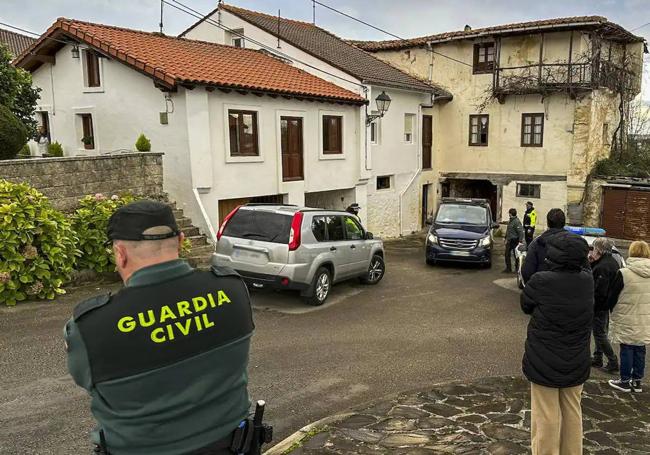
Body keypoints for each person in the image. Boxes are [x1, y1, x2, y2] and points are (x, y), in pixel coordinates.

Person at [64, 200, 256, 454]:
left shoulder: (90, 327)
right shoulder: (233, 289)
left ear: (120, 253)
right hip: (233, 445)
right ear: (181, 240)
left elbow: (86, 380)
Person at [521, 230, 593, 455]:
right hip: (576, 357)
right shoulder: (587, 281)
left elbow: (525, 304)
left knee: (546, 414)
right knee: (572, 410)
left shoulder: (541, 280)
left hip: (543, 358)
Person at [607, 240, 650, 393]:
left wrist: (610, 309)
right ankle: (637, 381)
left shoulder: (623, 273)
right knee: (640, 348)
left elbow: (612, 296)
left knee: (626, 347)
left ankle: (624, 381)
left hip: (626, 315)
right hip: (645, 318)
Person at [589, 237, 620, 373]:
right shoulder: (611, 261)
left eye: (594, 249)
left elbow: (599, 291)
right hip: (605, 305)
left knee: (600, 334)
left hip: (599, 306)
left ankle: (612, 361)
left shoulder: (603, 267)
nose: (592, 252)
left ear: (599, 250)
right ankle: (597, 358)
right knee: (600, 333)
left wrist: (592, 304)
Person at [521, 208, 566, 284]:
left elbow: (527, 272)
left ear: (548, 223)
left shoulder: (537, 243)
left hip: (543, 290)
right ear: (564, 223)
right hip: (569, 293)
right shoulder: (577, 244)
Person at [504, 208, 524, 273]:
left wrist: (520, 241)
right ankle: (508, 268)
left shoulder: (516, 222)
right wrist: (506, 238)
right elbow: (509, 230)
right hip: (509, 240)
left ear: (510, 214)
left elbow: (520, 232)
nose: (508, 214)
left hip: (515, 240)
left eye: (509, 213)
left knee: (516, 255)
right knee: (507, 254)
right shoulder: (511, 220)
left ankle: (517, 268)